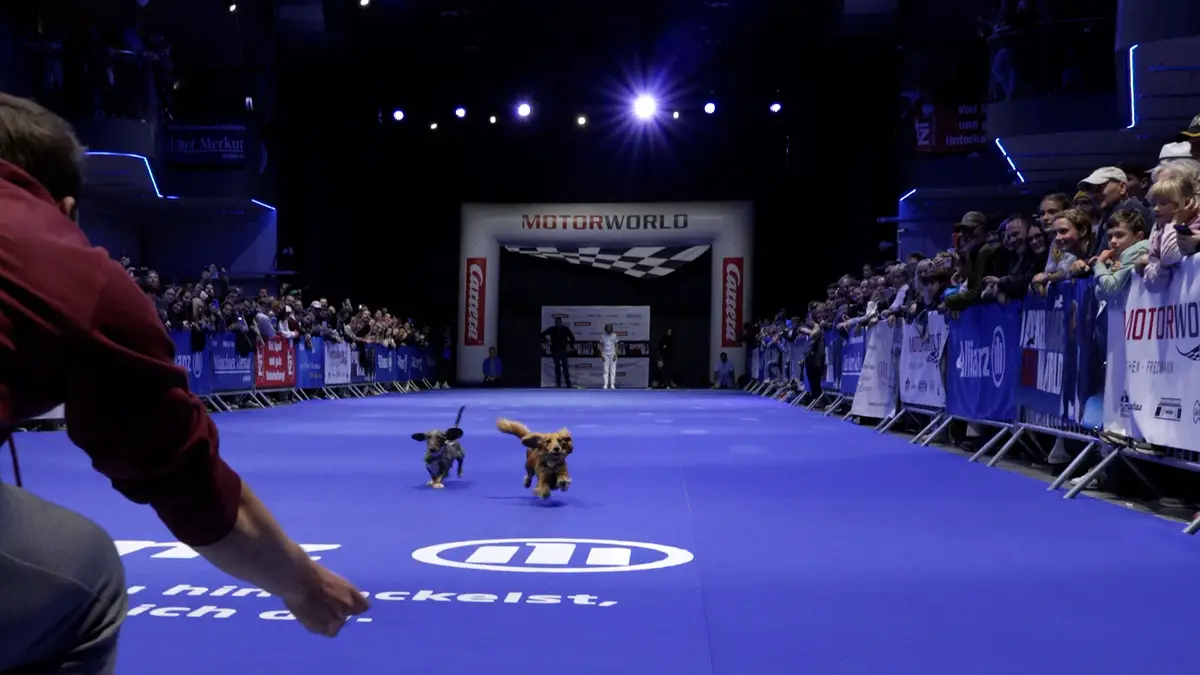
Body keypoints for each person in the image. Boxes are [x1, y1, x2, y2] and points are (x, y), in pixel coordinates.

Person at [0, 92, 369, 675]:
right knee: (85, 570)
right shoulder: (75, 272)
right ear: (65, 210)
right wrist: (302, 583)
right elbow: (183, 478)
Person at [541, 317, 575, 388]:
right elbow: (542, 334)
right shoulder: (552, 329)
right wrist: (546, 341)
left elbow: (572, 338)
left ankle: (568, 384)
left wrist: (571, 346)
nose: (558, 323)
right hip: (555, 351)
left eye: (559, 322)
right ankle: (558, 384)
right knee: (557, 368)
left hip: (563, 351)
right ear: (555, 323)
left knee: (565, 368)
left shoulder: (565, 329)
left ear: (561, 322)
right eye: (557, 322)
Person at [599, 324, 619, 389]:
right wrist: (601, 354)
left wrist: (615, 354)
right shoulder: (602, 336)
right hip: (605, 354)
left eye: (611, 329)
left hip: (612, 354)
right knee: (605, 370)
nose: (610, 330)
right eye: (608, 329)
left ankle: (612, 384)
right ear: (606, 329)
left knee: (613, 370)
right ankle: (605, 384)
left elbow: (617, 345)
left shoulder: (614, 335)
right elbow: (600, 345)